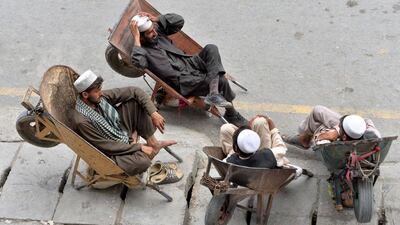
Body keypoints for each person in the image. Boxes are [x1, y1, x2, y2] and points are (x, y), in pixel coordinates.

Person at [129, 12, 247, 126]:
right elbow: (139, 63)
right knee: (221, 79)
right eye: (150, 32)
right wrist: (136, 39)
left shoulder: (157, 33)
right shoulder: (143, 51)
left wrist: (157, 19)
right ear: (142, 37)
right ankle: (231, 113)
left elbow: (179, 21)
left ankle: (213, 92)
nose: (154, 32)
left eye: (154, 29)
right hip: (185, 81)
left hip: (189, 62)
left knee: (211, 48)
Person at [72, 69, 176, 176]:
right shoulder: (82, 121)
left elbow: (135, 91)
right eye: (97, 91)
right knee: (142, 162)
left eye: (100, 89)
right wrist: (138, 147)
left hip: (118, 131)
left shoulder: (99, 98)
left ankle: (153, 144)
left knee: (135, 103)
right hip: (110, 151)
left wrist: (153, 113)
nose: (101, 93)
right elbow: (106, 146)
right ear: (85, 95)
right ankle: (142, 150)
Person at [220, 115, 311, 177]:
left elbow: (228, 159)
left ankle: (249, 132)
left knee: (225, 128)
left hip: (240, 167)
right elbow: (281, 148)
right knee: (261, 122)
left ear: (235, 148)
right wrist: (273, 129)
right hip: (261, 168)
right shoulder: (268, 155)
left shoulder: (228, 160)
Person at [283, 105, 381, 149]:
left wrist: (331, 134)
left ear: (344, 137)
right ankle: (304, 137)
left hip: (337, 147)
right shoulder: (372, 134)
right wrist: (338, 131)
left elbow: (320, 140)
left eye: (340, 126)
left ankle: (304, 140)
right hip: (349, 138)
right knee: (318, 111)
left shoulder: (326, 143)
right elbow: (367, 121)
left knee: (317, 114)